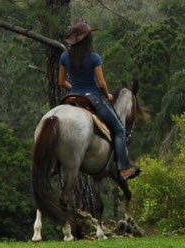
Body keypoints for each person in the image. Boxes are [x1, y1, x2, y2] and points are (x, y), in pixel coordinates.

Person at [59, 21, 140, 181]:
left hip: (72, 98)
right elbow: (102, 84)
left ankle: (55, 164)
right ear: (88, 39)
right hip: (93, 99)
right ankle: (123, 169)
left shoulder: (64, 56)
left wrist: (74, 89)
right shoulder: (94, 57)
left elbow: (61, 83)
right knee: (119, 130)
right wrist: (107, 95)